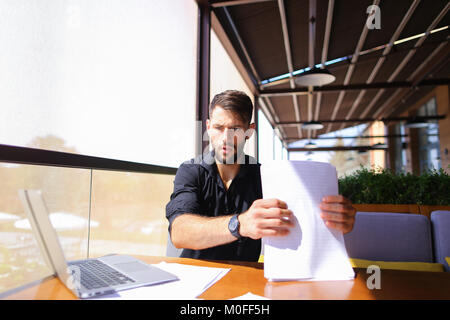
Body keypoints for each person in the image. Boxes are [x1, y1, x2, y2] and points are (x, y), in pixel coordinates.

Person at [166, 90, 356, 261]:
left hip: (246, 280)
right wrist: (240, 224)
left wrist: (335, 222)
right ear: (208, 127)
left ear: (250, 131)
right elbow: (180, 232)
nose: (225, 138)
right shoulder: (191, 170)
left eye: (235, 129)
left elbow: (301, 222)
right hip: (194, 277)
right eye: (218, 128)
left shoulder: (266, 177)